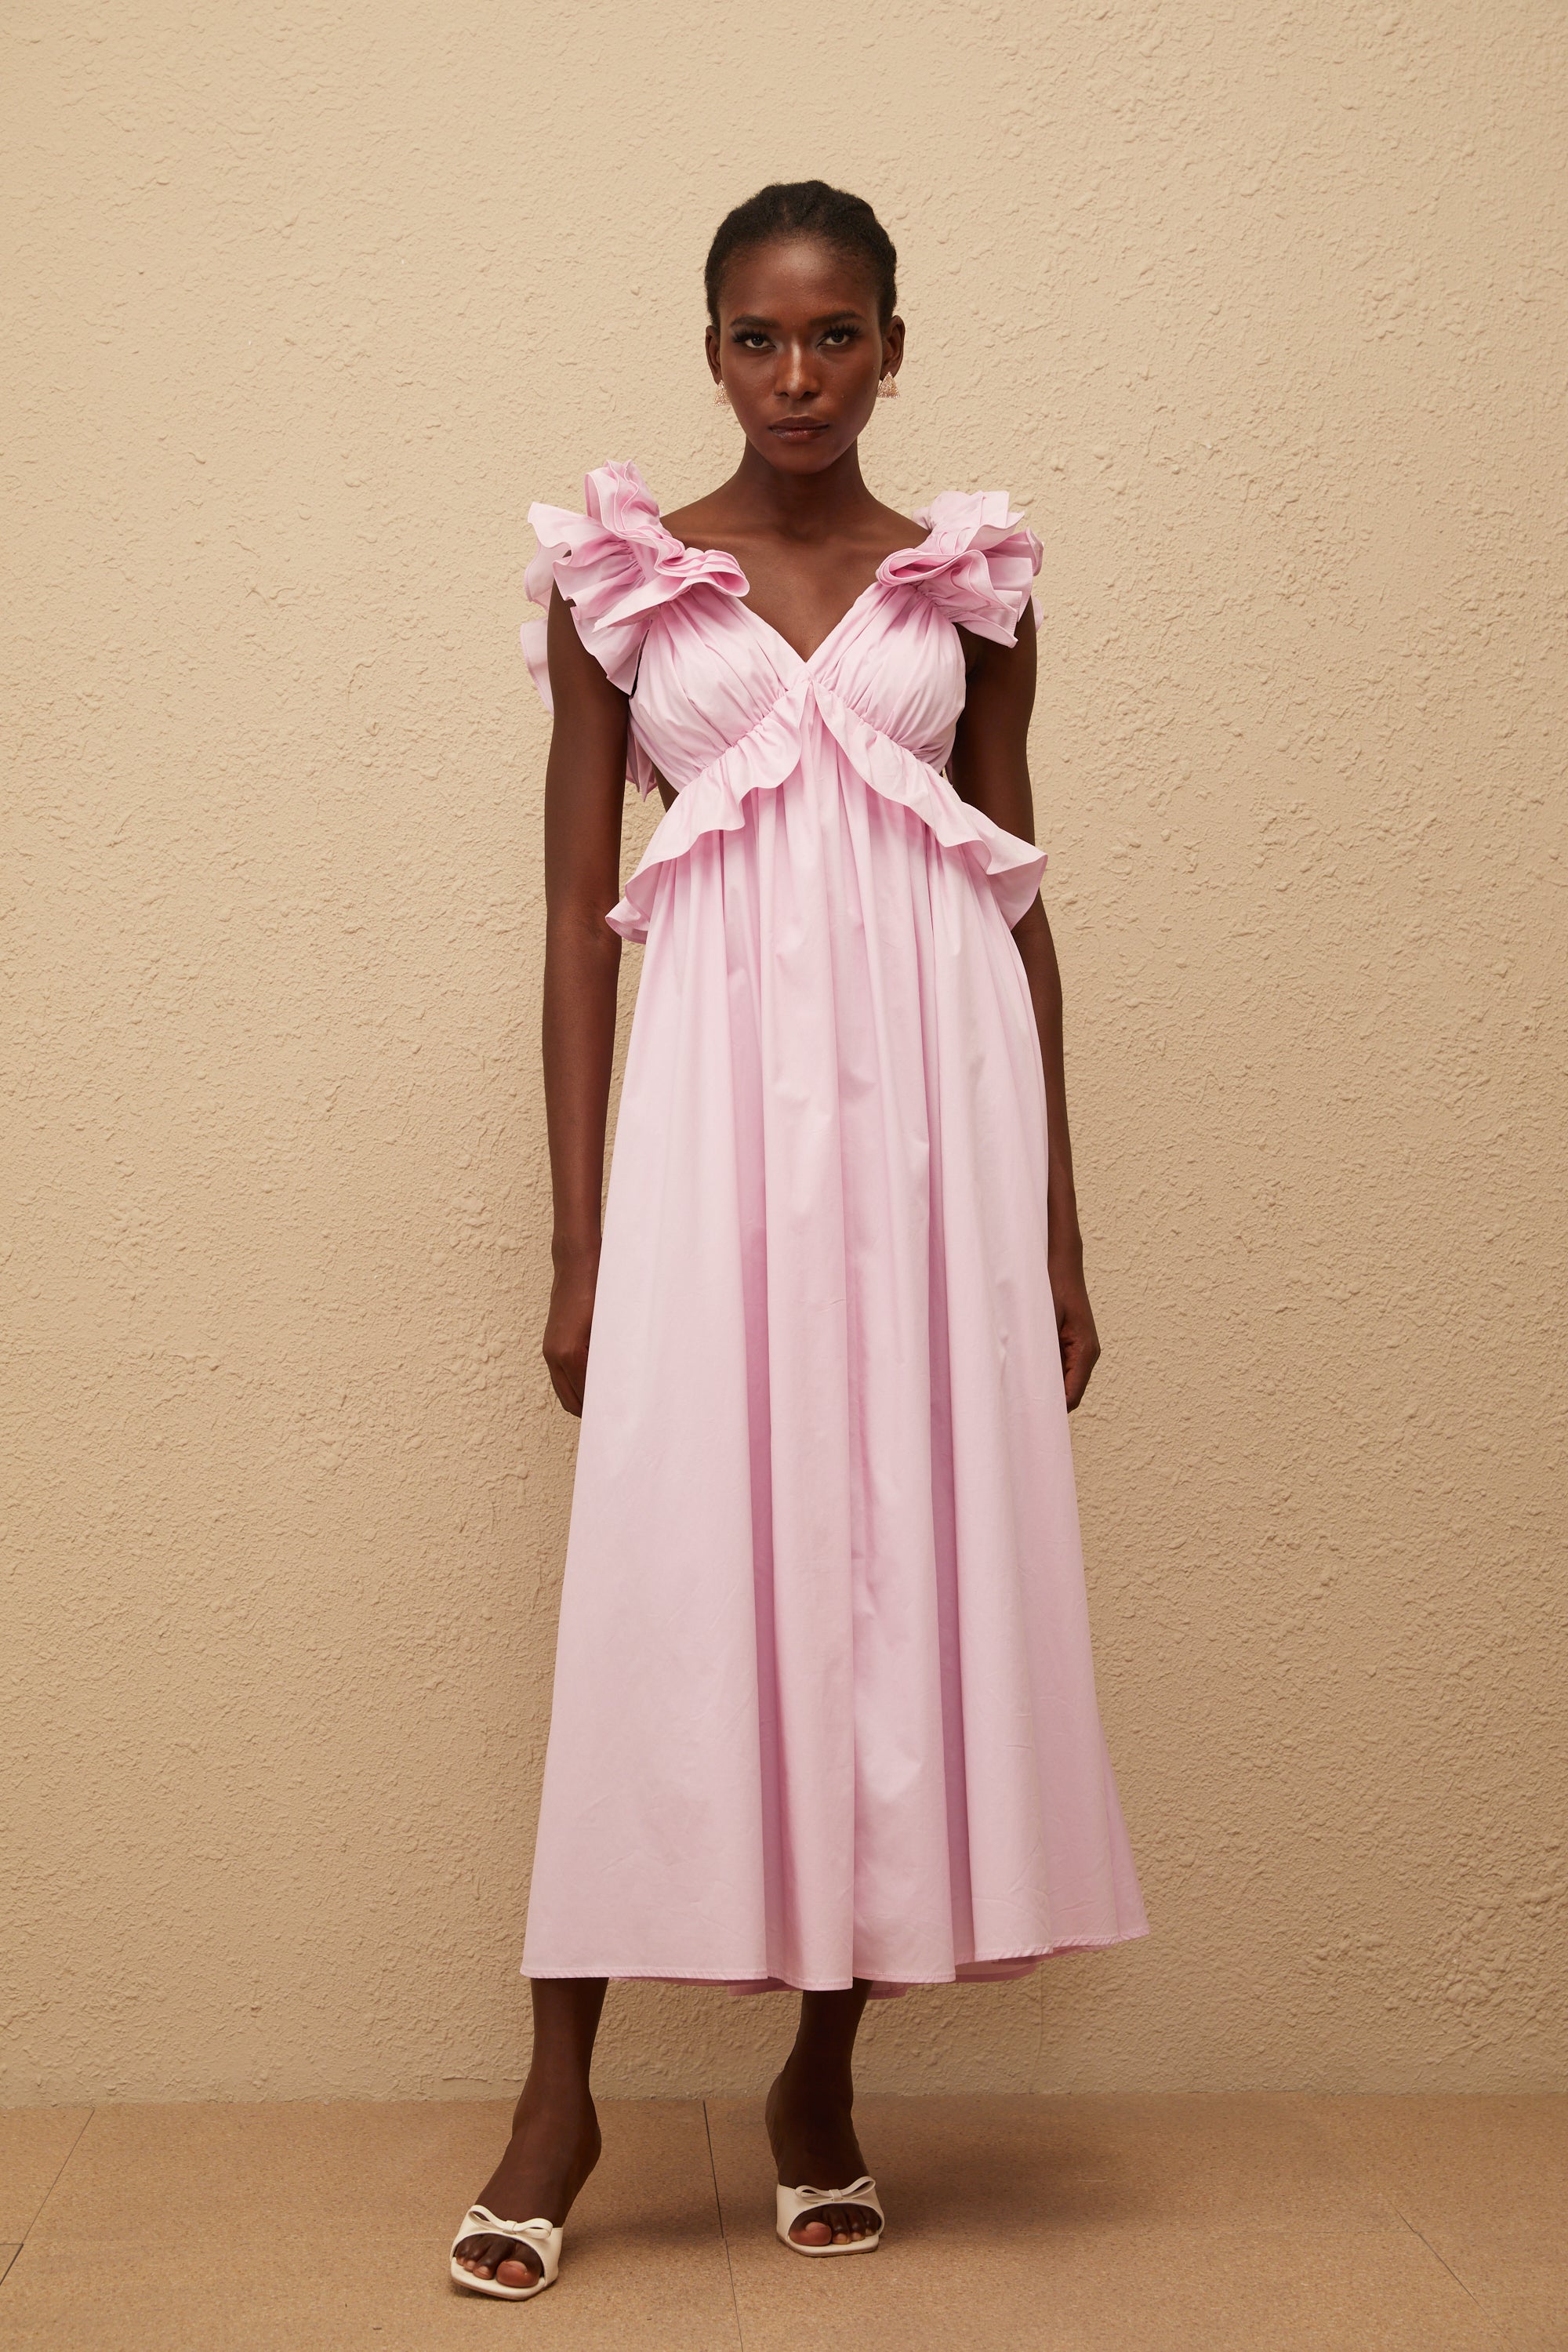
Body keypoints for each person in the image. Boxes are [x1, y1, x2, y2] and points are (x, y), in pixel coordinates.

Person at [451, 179, 1148, 2302]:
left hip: (938, 1142)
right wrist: (581, 1244)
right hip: (710, 1136)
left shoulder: (970, 586)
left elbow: (1016, 909)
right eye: (758, 338)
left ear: (894, 349)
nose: (798, 376)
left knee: (891, 1588)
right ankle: (558, 2100)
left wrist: (1057, 1235)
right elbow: (575, 927)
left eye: (836, 335)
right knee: (666, 1579)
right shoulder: (630, 584)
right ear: (711, 352)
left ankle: (821, 2086)